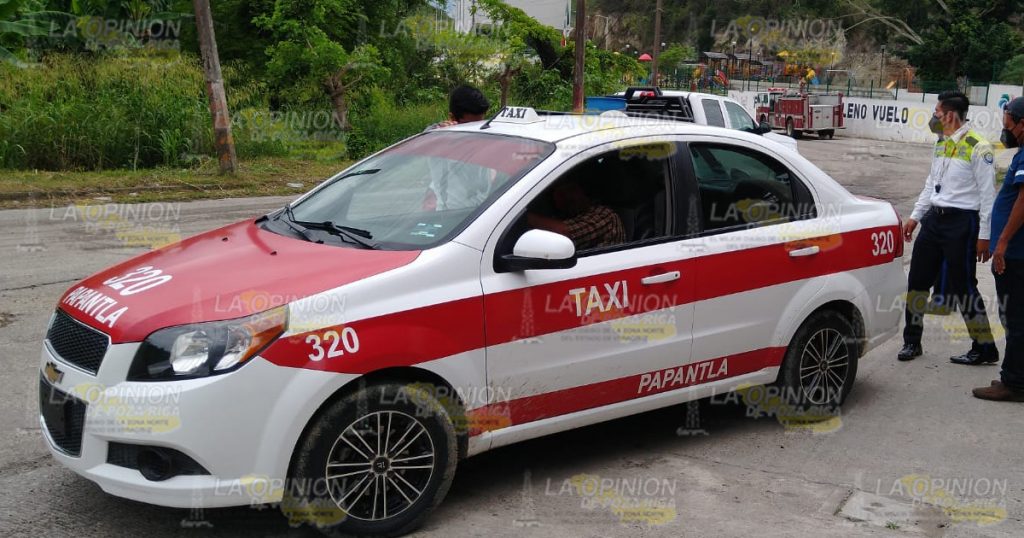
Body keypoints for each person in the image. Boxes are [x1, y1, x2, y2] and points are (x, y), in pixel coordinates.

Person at [898, 91, 999, 364]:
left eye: (938, 113)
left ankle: (984, 347)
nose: (935, 117)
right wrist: (916, 216)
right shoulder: (941, 143)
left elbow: (988, 196)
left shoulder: (979, 146)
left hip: (962, 223)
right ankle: (912, 342)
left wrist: (985, 237)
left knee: (964, 287)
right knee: (917, 281)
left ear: (951, 115)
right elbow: (932, 182)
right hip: (934, 220)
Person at [973, 97, 1024, 402]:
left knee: (1015, 319)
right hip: (1015, 252)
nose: (1005, 128)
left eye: (1009, 121)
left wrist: (1002, 242)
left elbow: (1022, 200)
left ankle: (1014, 383)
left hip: (1016, 255)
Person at [423, 85, 492, 210]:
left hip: (484, 211)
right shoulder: (440, 138)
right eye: (470, 125)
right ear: (453, 118)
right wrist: (438, 130)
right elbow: (425, 138)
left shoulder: (485, 135)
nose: (476, 130)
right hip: (452, 215)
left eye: (479, 123)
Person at [527, 178, 625, 251]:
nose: (568, 197)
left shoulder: (604, 215)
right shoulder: (565, 215)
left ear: (584, 190)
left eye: (571, 189)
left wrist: (525, 217)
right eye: (560, 194)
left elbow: (565, 232)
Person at [425, 84, 490, 131]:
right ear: (452, 118)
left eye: (479, 124)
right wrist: (439, 133)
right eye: (468, 125)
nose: (475, 129)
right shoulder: (438, 132)